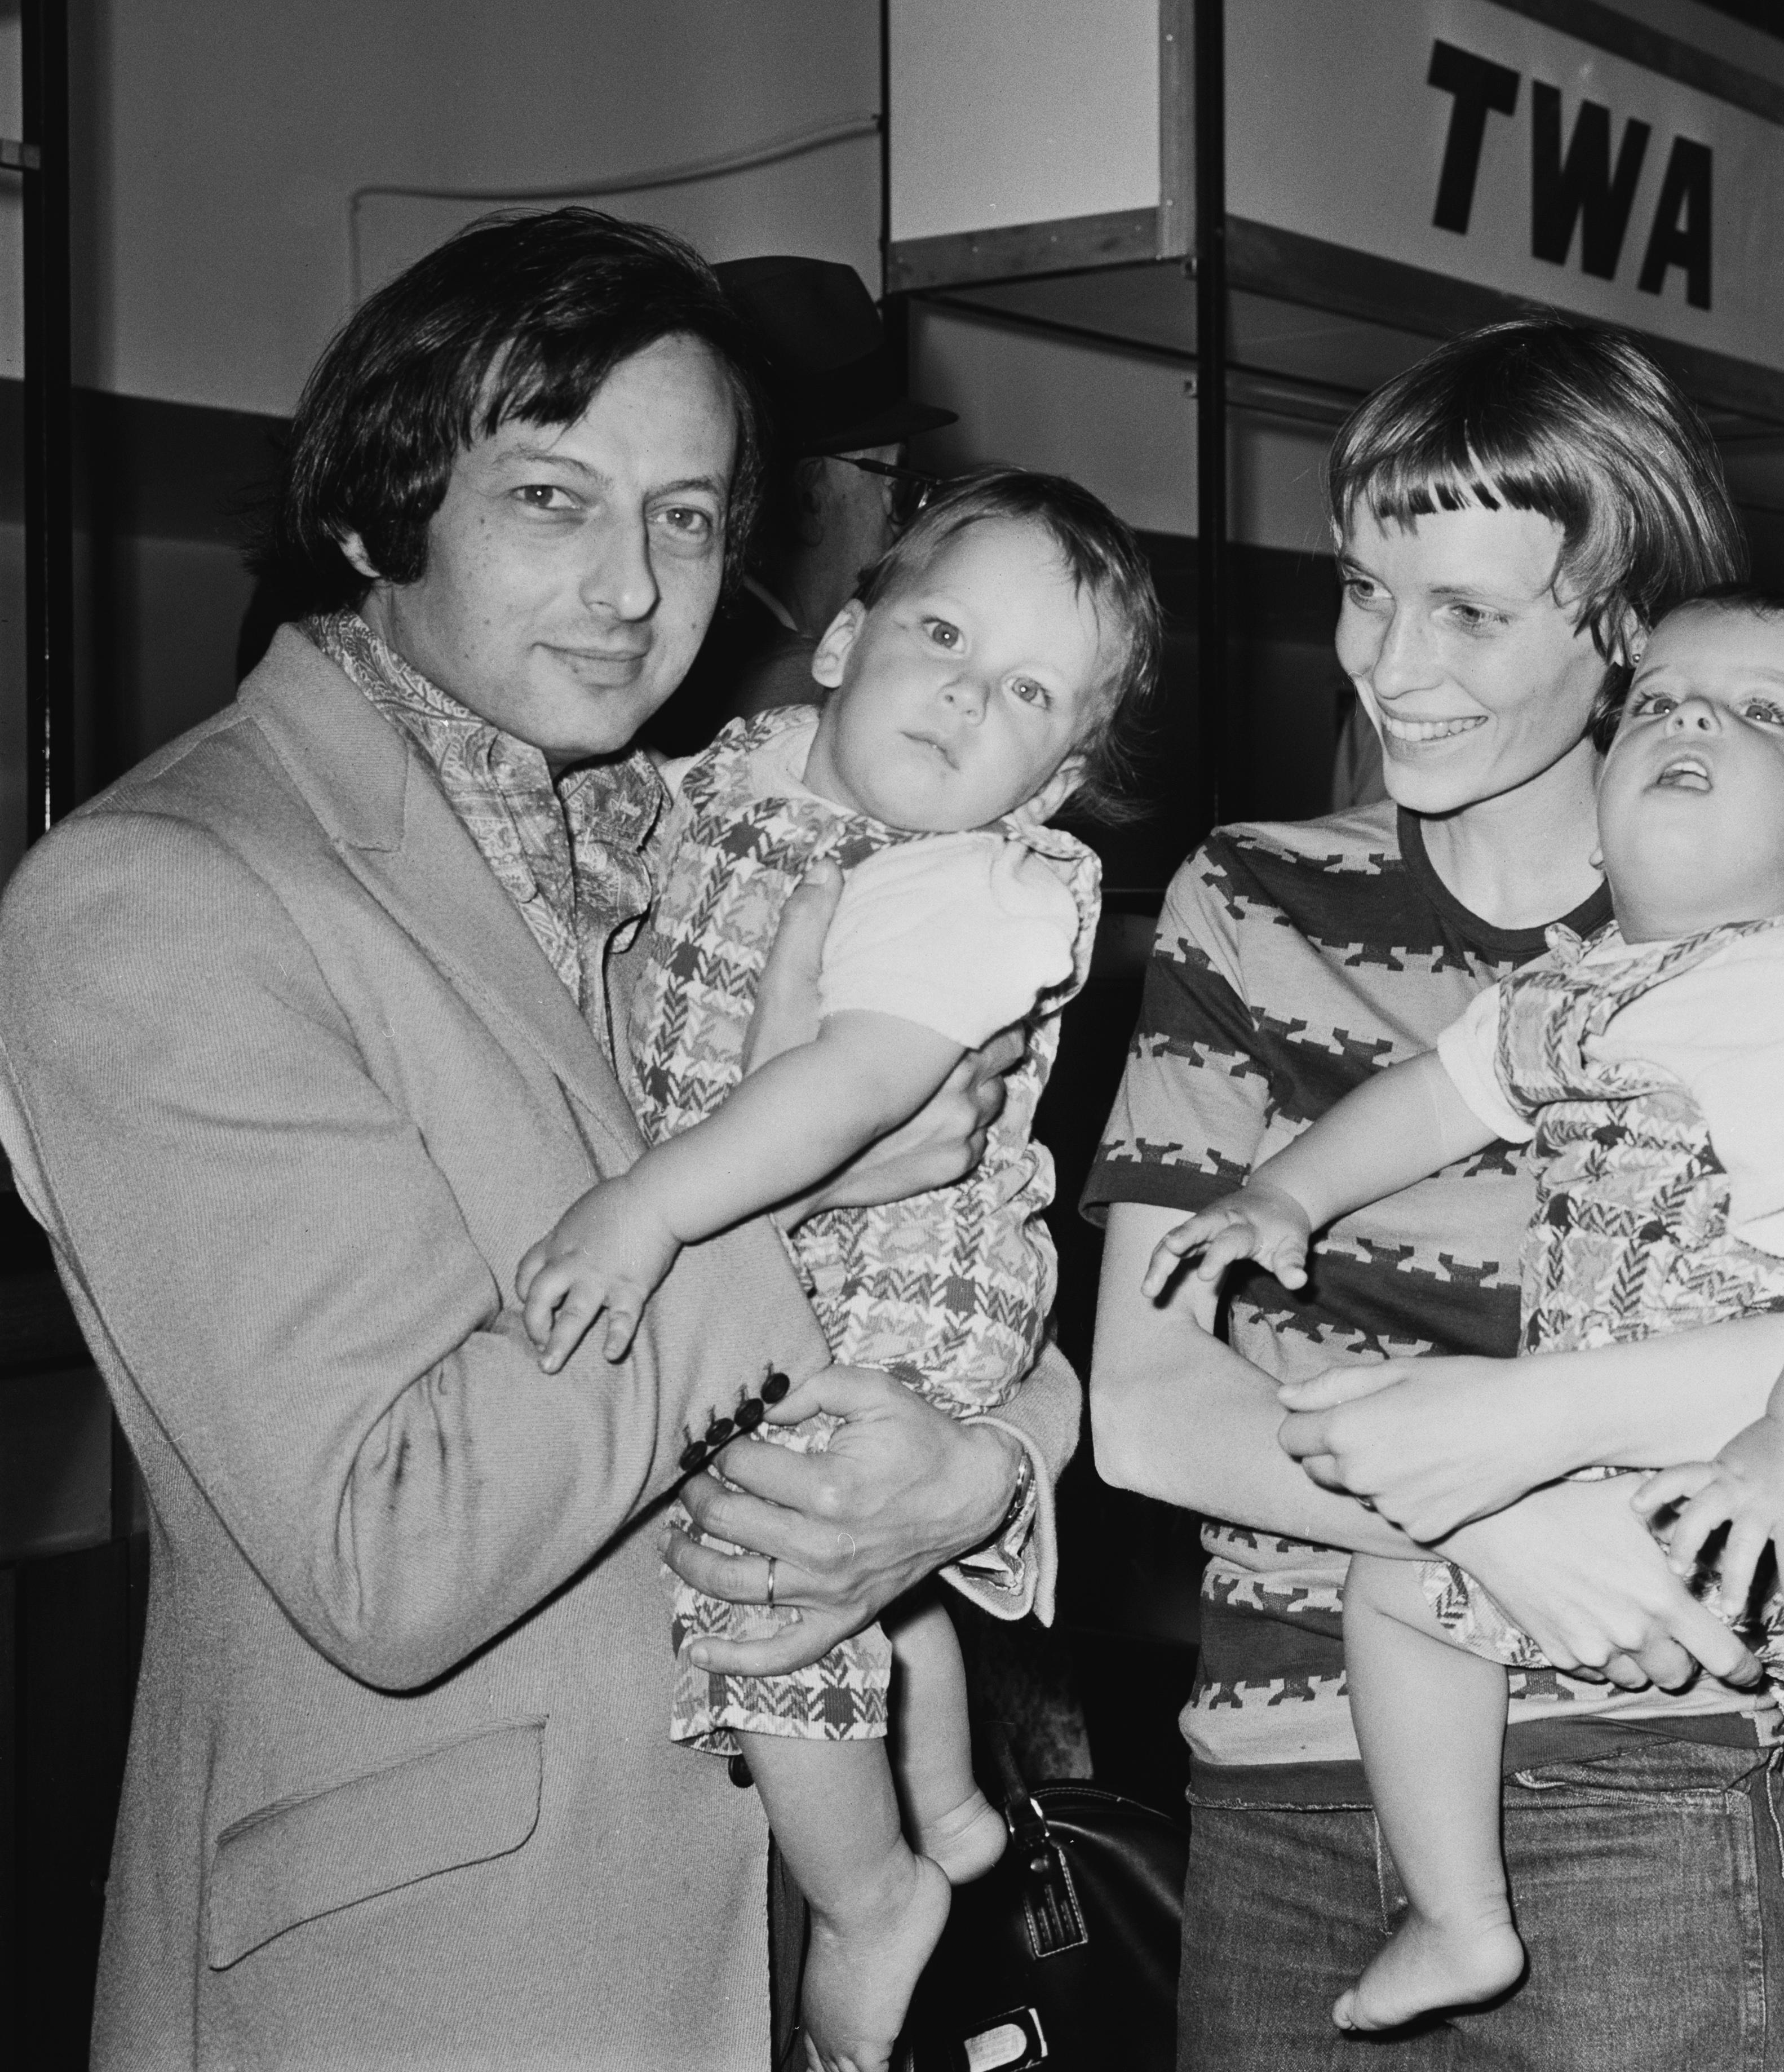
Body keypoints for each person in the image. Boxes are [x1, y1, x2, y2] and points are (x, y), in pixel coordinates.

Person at [0, 209, 1071, 2071]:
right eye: (551, 497)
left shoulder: (686, 830)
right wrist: (773, 1184)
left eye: (684, 512)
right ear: (373, 512)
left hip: (761, 1934)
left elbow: (978, 1286)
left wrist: (980, 1475)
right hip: (442, 1989)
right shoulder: (155, 894)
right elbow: (388, 1549)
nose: (633, 585)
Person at [1087, 316, 1784, 2071]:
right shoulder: (1251, 895)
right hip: (1278, 1788)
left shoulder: (1762, 935)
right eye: (1362, 589)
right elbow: (1150, 1395)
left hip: (1654, 1775)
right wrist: (1483, 1512)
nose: (1386, 664)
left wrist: (1528, 1424)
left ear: (1623, 622)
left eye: (1468, 613)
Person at [1150, 589, 1784, 2069]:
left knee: (1399, 1585)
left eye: (1757, 712)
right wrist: (1281, 1194)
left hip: (1758, 1491)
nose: (1689, 719)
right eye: (1658, 701)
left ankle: (1461, 1913)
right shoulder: (1577, 992)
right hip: (1726, 1522)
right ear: (1598, 819)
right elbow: (1424, 1103)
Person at [517, 471, 1161, 2072]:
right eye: (942, 633)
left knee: (767, 1577)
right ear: (841, 639)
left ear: (1057, 778)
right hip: (777, 1272)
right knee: (868, 1564)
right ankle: (939, 1802)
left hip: (895, 1278)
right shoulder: (730, 779)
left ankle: (867, 1895)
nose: (962, 691)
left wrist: (650, 1208)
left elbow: (852, 1086)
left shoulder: (967, 880)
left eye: (1025, 692)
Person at [650, 255, 960, 746]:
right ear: (808, 496)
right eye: (896, 487)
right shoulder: (813, 689)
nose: (903, 529)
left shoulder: (667, 650)